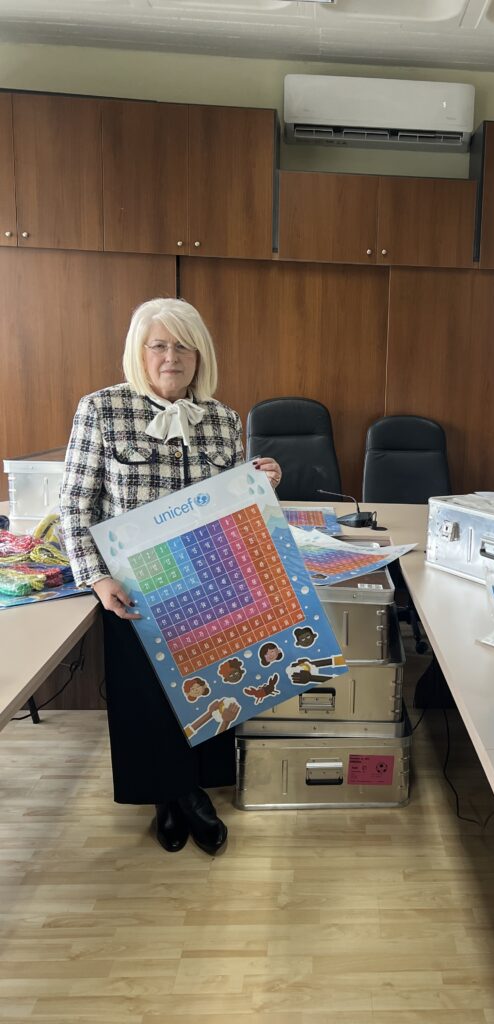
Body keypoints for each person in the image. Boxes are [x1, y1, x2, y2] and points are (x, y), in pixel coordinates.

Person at [59, 297, 281, 855]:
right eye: (158, 345)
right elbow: (75, 504)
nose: (171, 357)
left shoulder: (224, 418)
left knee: (209, 689)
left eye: (183, 346)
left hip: (208, 581)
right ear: (139, 352)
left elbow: (229, 500)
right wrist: (96, 577)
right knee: (149, 697)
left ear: (200, 354)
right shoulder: (102, 409)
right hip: (132, 585)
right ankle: (169, 797)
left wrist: (260, 480)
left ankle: (192, 790)